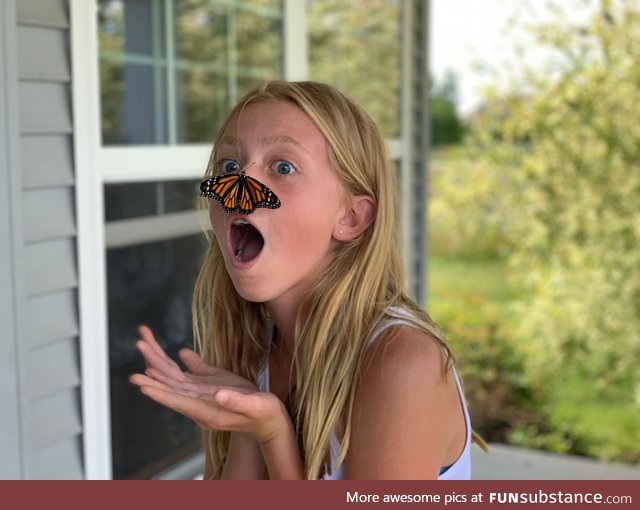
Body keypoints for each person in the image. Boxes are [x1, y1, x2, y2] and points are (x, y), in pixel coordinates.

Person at [130, 80, 476, 480]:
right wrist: (248, 428)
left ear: (350, 219)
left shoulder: (401, 362)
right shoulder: (249, 350)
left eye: (283, 167)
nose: (240, 188)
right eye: (229, 167)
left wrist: (273, 434)